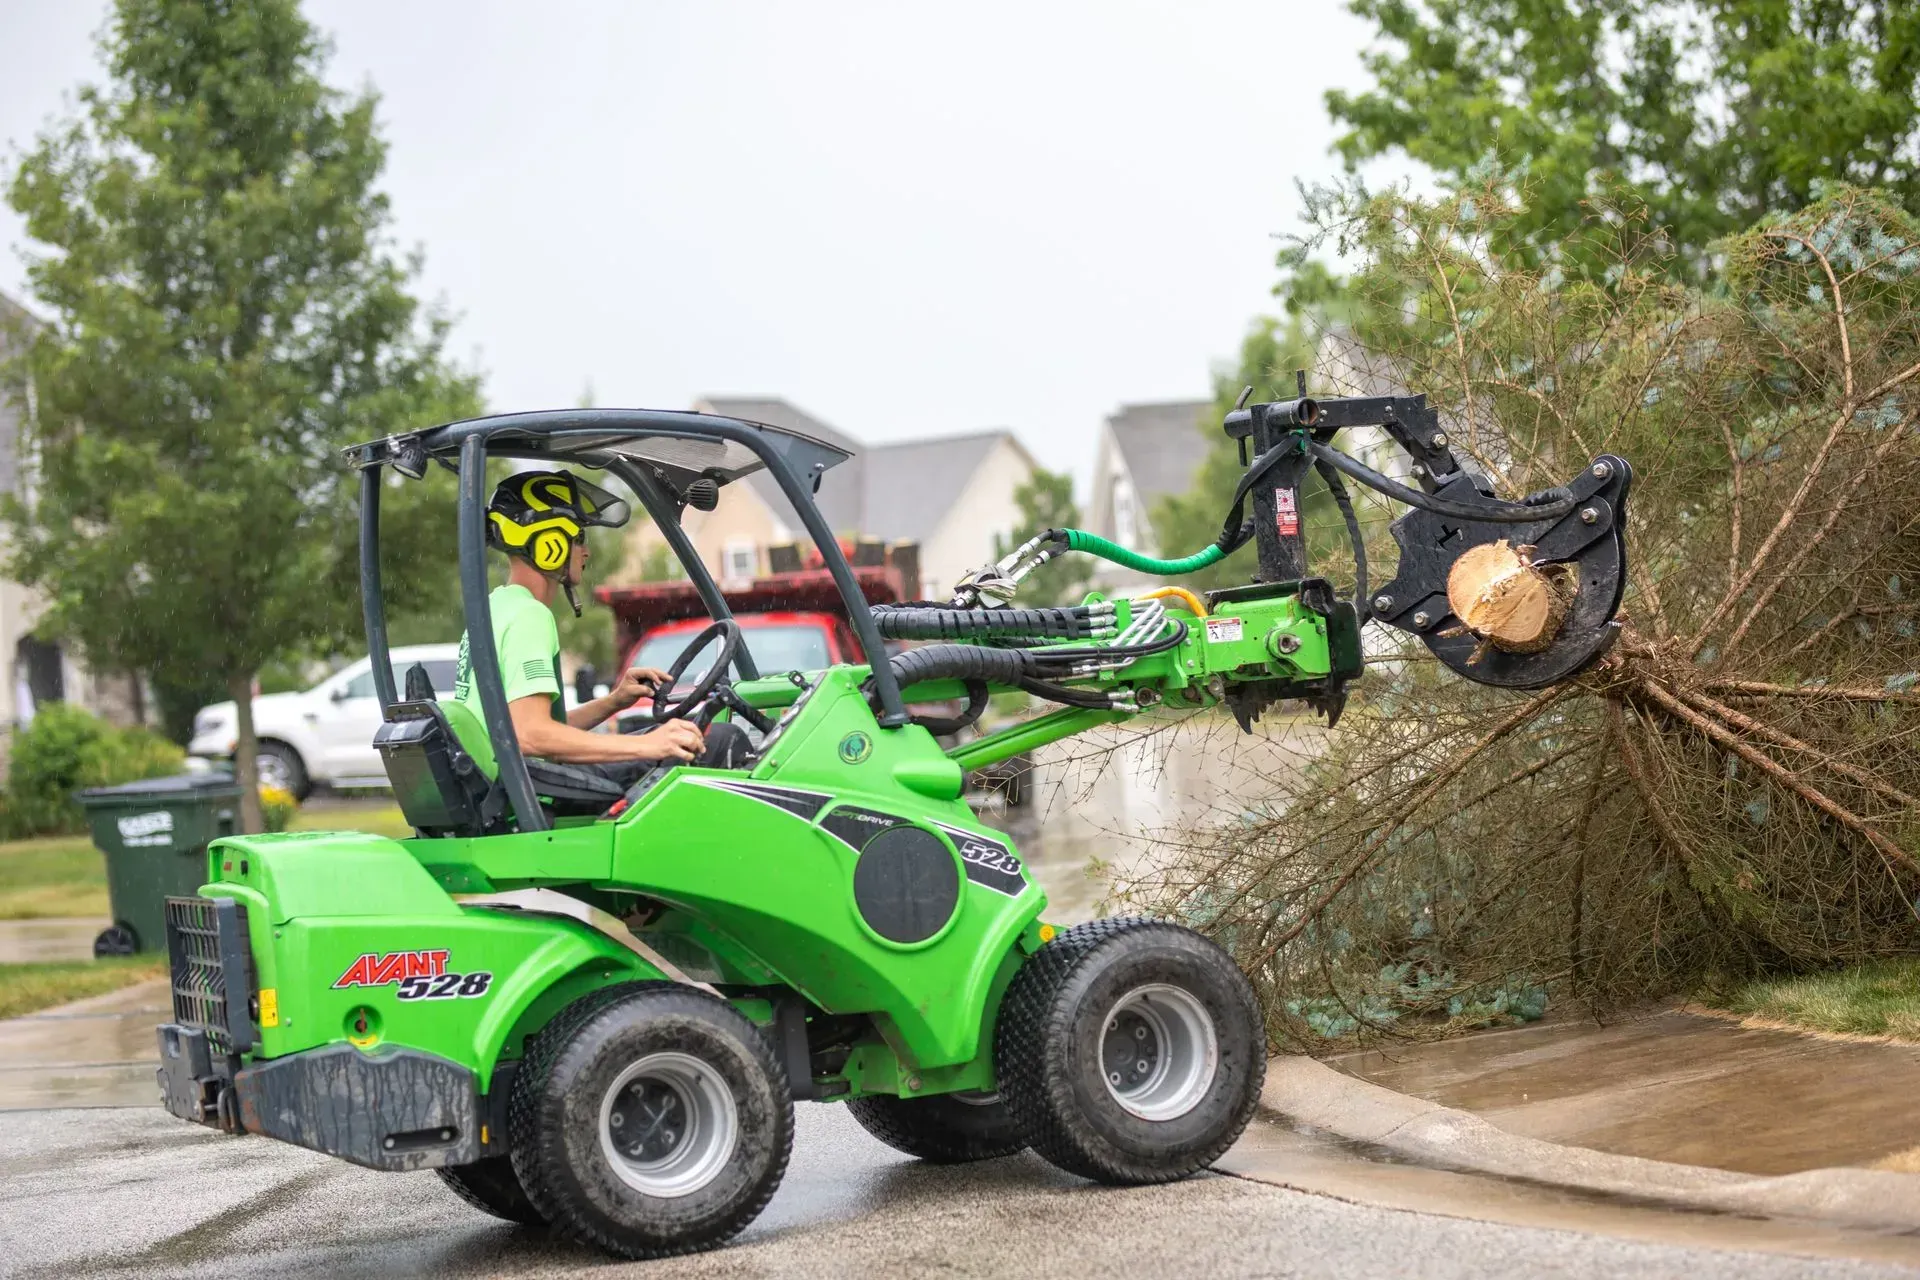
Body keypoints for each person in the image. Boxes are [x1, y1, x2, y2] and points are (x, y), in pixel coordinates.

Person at [452, 469, 747, 787]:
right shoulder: (529, 616)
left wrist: (615, 701)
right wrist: (647, 744)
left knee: (684, 735)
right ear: (549, 542)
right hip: (531, 789)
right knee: (718, 739)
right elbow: (530, 735)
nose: (586, 551)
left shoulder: (496, 608)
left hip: (512, 783)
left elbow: (542, 728)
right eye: (578, 538)